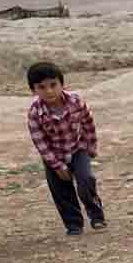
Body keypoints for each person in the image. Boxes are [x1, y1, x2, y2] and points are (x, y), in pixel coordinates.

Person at [25, 62, 106, 237]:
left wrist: (91, 147)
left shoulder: (76, 101)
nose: (49, 91)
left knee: (86, 180)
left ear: (62, 84)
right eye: (42, 87)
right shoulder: (35, 113)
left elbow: (88, 123)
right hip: (54, 156)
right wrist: (57, 166)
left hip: (78, 149)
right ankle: (74, 225)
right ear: (33, 91)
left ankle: (97, 215)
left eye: (53, 85)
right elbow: (40, 142)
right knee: (61, 191)